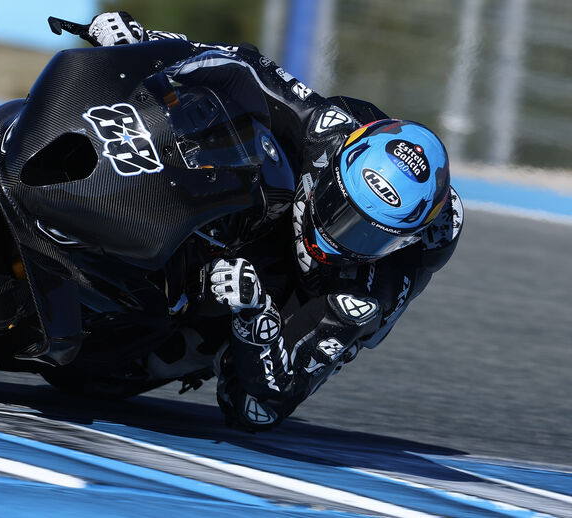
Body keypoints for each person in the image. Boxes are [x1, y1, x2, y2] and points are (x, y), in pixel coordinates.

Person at [82, 12, 464, 430]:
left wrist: (253, 316)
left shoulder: (364, 296)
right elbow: (246, 67)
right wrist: (143, 43)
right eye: (343, 211)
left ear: (400, 245)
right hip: (263, 196)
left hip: (292, 293)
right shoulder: (330, 128)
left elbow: (269, 398)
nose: (345, 238)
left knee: (244, 403)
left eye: (372, 235)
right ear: (336, 169)